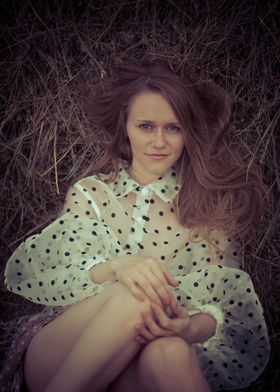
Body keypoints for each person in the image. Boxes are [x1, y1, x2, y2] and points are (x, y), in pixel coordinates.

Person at [1, 60, 270, 392]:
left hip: (141, 363)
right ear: (125, 127)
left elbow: (222, 312)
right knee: (140, 295)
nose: (159, 141)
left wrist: (187, 328)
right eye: (146, 126)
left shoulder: (209, 214)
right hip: (63, 351)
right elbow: (60, 276)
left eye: (172, 127)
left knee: (172, 353)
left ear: (188, 132)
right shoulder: (91, 194)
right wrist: (118, 267)